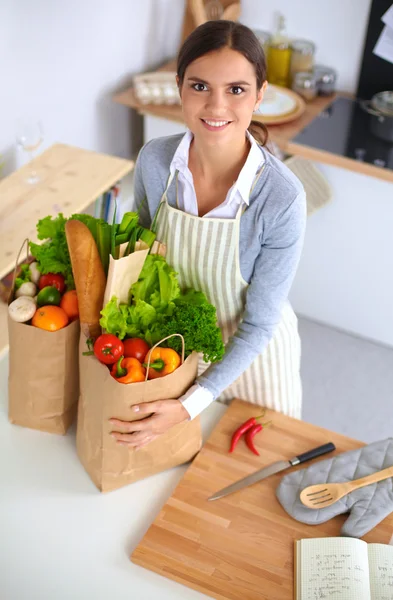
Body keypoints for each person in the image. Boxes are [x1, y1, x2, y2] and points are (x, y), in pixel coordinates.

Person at [109, 20, 306, 450]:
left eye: (236, 89)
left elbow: (259, 324)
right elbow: (141, 257)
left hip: (253, 361)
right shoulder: (155, 161)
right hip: (173, 350)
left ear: (259, 95)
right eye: (200, 86)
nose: (216, 106)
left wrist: (191, 403)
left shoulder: (281, 198)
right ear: (179, 87)